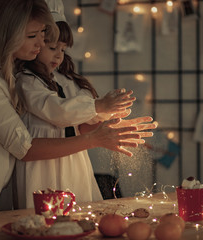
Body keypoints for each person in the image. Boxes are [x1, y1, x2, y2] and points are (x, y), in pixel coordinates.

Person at [0, 0, 155, 218]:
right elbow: (25, 147)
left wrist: (107, 129)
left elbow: (65, 126)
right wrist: (96, 137)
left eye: (43, 34)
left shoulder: (14, 75)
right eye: (33, 36)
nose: (40, 43)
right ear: (6, 33)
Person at [14, 15, 156, 207]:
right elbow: (57, 111)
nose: (59, 55)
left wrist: (108, 118)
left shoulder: (65, 81)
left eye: (63, 49)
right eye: (53, 48)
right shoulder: (27, 81)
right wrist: (99, 106)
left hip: (73, 158)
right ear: (36, 45)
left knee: (77, 208)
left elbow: (82, 117)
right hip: (42, 162)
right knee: (44, 213)